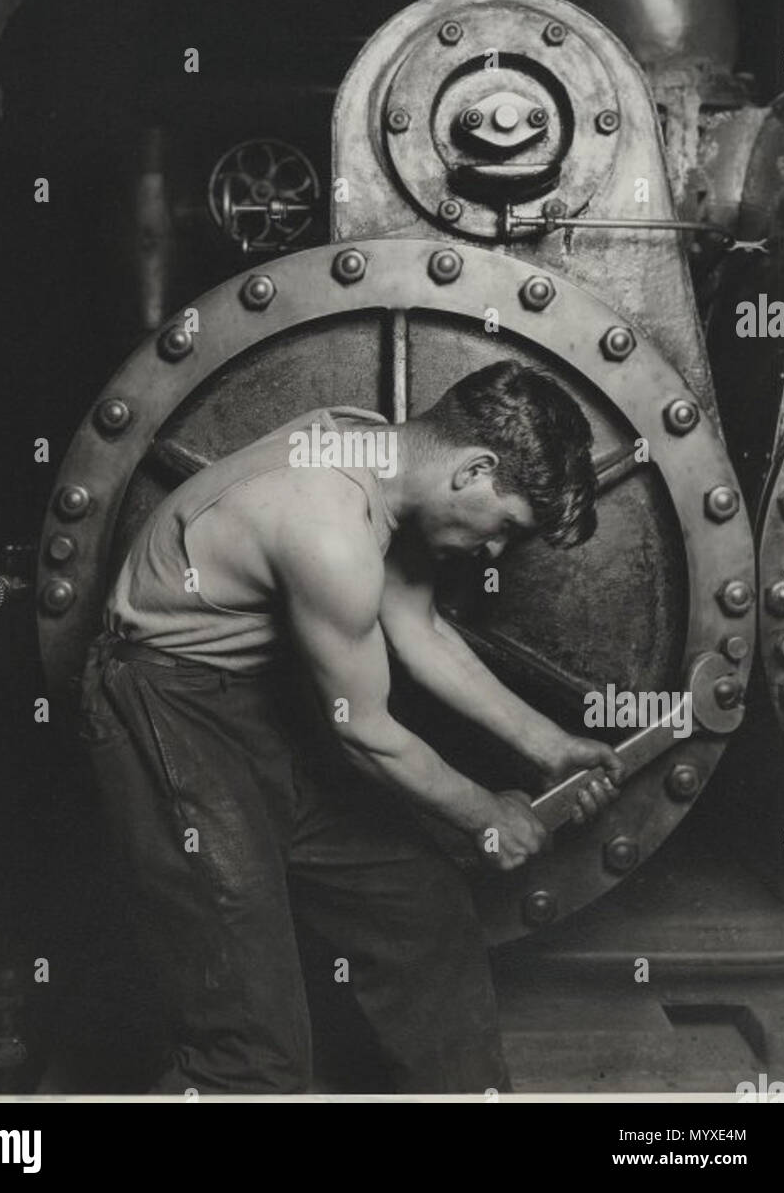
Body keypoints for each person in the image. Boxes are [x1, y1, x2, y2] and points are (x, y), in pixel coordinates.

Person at [79, 359, 622, 1095]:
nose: (493, 554)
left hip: (259, 701)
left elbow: (416, 623)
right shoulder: (325, 528)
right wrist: (485, 815)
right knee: (252, 1047)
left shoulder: (372, 451)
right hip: (170, 712)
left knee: (419, 912)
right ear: (473, 470)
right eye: (504, 529)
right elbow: (365, 732)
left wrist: (547, 745)